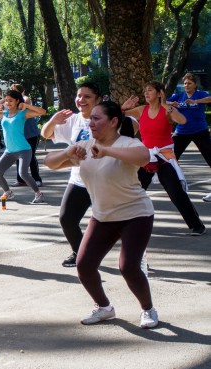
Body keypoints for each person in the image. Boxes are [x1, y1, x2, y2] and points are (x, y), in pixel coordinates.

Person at [44, 101, 158, 329]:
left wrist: (106, 150)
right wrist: (68, 151)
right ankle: (104, 307)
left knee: (128, 267)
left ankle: (148, 309)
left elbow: (144, 157)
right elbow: (50, 163)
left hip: (135, 214)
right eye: (90, 119)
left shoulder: (128, 143)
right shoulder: (84, 146)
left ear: (114, 121)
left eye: (97, 118)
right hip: (103, 216)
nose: (91, 122)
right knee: (84, 265)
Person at [123, 80, 206, 235]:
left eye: (150, 90)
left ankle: (196, 225)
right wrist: (123, 108)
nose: (146, 93)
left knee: (176, 192)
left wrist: (165, 103)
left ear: (159, 93)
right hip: (146, 156)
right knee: (135, 190)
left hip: (164, 156)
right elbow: (115, 116)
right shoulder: (142, 110)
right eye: (145, 91)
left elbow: (182, 120)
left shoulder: (167, 110)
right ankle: (125, 223)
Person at [41, 82, 102, 267]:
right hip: (79, 180)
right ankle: (79, 252)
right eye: (79, 96)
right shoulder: (72, 120)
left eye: (87, 96)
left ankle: (137, 258)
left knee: (115, 222)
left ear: (98, 99)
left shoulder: (105, 119)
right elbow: (45, 134)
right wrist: (53, 121)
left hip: (105, 180)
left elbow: (132, 125)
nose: (81, 100)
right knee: (67, 219)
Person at [0, 90, 46, 203]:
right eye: (6, 100)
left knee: (23, 173)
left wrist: (26, 105)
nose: (8, 103)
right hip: (9, 151)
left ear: (17, 101)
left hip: (23, 150)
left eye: (11, 100)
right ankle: (8, 192)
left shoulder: (23, 113)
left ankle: (38, 193)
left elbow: (42, 112)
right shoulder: (5, 113)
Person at [166, 73, 211, 202]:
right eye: (185, 83)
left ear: (195, 85)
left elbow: (209, 99)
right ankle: (175, 187)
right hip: (182, 132)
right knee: (170, 159)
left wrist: (196, 101)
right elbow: (162, 102)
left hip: (199, 131)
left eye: (189, 83)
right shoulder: (179, 96)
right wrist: (171, 102)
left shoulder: (201, 94)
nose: (186, 85)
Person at [7, 84, 43, 188]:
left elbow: (25, 103)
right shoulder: (11, 103)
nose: (12, 92)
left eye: (14, 90)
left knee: (30, 157)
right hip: (20, 135)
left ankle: (37, 179)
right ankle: (20, 180)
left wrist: (19, 100)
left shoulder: (25, 99)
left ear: (20, 92)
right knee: (19, 157)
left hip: (31, 134)